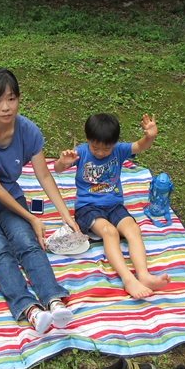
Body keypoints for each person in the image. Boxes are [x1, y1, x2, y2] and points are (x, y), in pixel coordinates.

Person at [0, 68, 77, 335]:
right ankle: (29, 310)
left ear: (19, 98)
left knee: (28, 243)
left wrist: (65, 213)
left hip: (10, 195)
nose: (5, 107)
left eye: (11, 99)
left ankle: (54, 301)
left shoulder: (28, 130)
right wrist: (33, 217)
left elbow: (43, 174)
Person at [54, 113, 171, 299]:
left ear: (115, 143)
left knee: (133, 229)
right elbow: (58, 169)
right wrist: (62, 162)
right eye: (95, 147)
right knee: (111, 232)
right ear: (87, 138)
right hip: (88, 208)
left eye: (106, 149)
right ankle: (128, 279)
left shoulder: (119, 150)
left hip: (114, 205)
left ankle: (143, 275)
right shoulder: (82, 152)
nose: (100, 152)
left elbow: (140, 146)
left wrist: (150, 136)